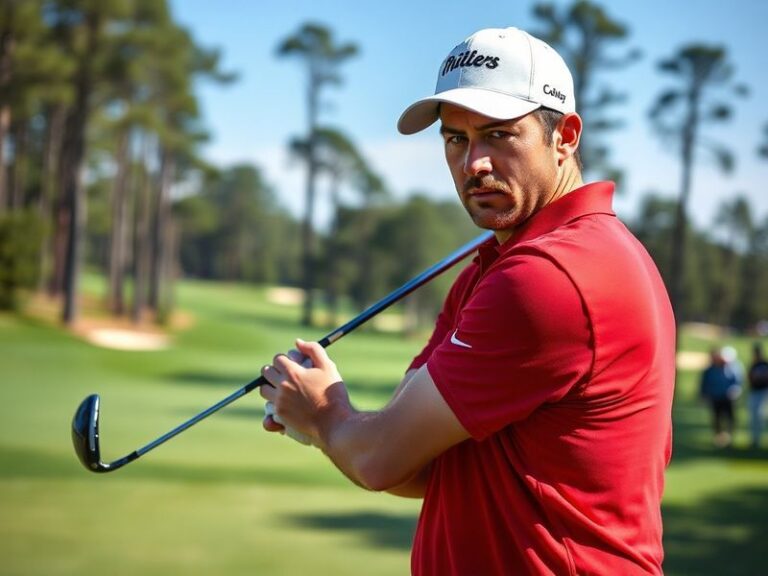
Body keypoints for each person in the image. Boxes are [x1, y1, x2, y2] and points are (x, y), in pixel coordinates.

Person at [260, 26, 676, 575]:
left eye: (498, 134)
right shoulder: (495, 269)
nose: (472, 162)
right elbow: (420, 464)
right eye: (455, 139)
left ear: (565, 135)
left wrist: (323, 413)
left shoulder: (552, 276)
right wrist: (325, 427)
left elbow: (380, 457)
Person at [699, 347, 739, 447]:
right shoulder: (709, 370)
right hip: (715, 397)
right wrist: (703, 395)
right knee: (716, 418)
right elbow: (704, 384)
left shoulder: (731, 368)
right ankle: (718, 437)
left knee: (730, 418)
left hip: (728, 398)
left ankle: (729, 438)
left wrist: (734, 391)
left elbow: (736, 382)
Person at [747, 342, 768, 448]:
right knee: (754, 417)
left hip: (763, 392)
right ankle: (755, 439)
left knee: (761, 416)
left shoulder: (764, 364)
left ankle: (758, 438)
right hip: (754, 392)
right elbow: (750, 378)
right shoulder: (753, 365)